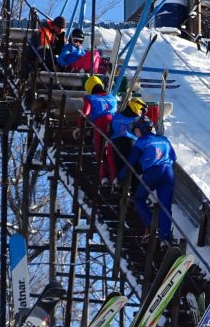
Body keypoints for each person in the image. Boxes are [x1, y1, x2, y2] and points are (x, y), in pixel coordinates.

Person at [116, 116, 177, 247]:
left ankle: (152, 227)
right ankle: (165, 238)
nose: (135, 133)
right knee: (165, 207)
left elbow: (130, 162)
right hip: (168, 172)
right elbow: (174, 157)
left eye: (136, 130)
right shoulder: (164, 139)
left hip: (152, 173)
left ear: (141, 129)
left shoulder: (141, 142)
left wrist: (119, 178)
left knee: (138, 199)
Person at [76, 75, 118, 187]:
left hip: (100, 124)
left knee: (100, 152)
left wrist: (79, 127)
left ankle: (103, 177)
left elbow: (85, 113)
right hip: (114, 124)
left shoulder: (90, 98)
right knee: (111, 151)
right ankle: (114, 178)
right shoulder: (112, 97)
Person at [110, 97, 148, 187]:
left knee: (119, 166)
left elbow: (110, 132)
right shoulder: (138, 119)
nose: (141, 113)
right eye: (141, 110)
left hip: (116, 144)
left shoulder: (116, 117)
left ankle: (118, 187)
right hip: (133, 144)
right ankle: (133, 190)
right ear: (136, 108)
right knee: (134, 168)